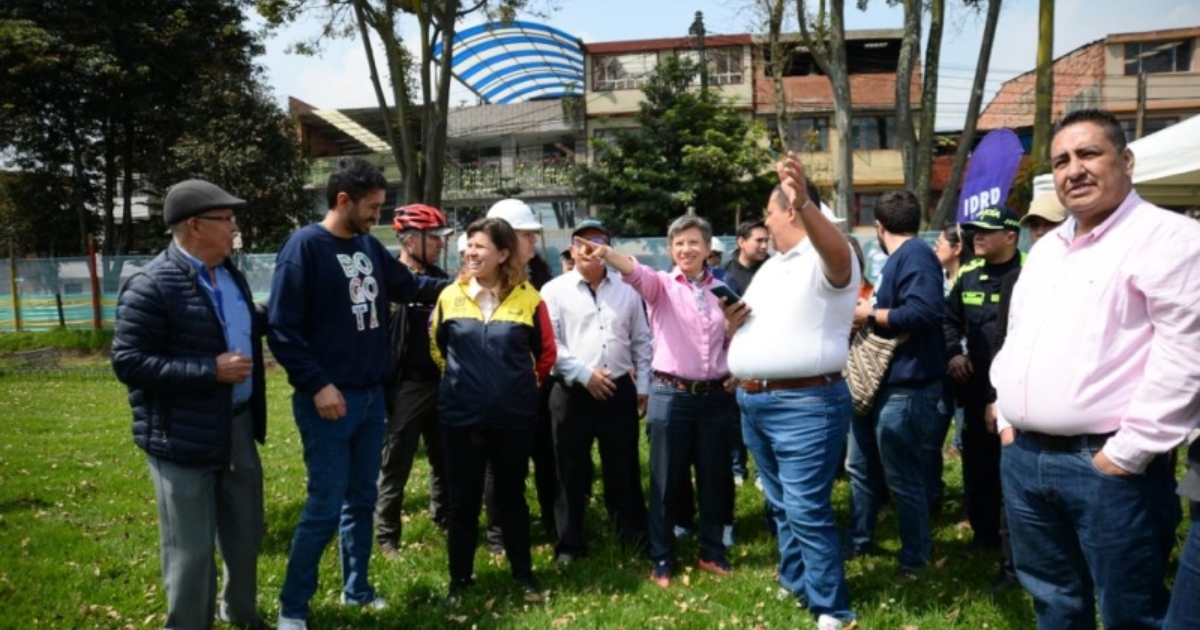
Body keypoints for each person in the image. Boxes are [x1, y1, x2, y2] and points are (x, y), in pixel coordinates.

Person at [992, 108, 1200, 629]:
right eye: (1061, 160)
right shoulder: (1045, 250)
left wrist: (1126, 455)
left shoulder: (1170, 239)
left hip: (1107, 466)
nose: (1073, 170)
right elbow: (1017, 336)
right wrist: (1006, 417)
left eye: (1089, 154)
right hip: (1026, 458)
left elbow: (1185, 358)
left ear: (1126, 160)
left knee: (1130, 610)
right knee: (1054, 602)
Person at [267, 157, 447, 630]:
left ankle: (358, 591)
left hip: (370, 399)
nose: (378, 217)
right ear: (342, 200)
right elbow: (282, 330)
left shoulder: (367, 245)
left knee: (361, 501)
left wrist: (463, 285)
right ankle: (293, 607)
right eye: (372, 207)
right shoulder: (304, 248)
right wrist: (318, 385)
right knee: (324, 506)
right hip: (328, 400)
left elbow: (407, 285)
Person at [111, 180, 269, 630]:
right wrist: (208, 371)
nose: (235, 227)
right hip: (179, 435)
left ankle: (241, 613)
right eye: (227, 219)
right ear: (195, 226)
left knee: (245, 533)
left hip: (235, 428)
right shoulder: (151, 283)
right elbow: (128, 361)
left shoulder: (229, 273)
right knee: (191, 548)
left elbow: (241, 323)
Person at [721, 152, 859, 630]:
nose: (764, 219)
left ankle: (832, 608)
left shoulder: (828, 257)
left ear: (792, 211)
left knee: (805, 507)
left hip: (805, 403)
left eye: (770, 209)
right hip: (756, 400)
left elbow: (839, 258)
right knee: (780, 503)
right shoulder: (772, 266)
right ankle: (797, 579)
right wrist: (731, 323)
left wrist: (806, 204)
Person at [575, 215, 736, 588]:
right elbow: (635, 272)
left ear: (708, 248)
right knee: (665, 481)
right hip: (671, 395)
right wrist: (607, 253)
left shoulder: (723, 292)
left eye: (694, 242)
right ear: (670, 249)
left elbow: (731, 341)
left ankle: (711, 551)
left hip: (714, 398)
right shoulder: (661, 286)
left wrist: (735, 359)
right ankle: (662, 557)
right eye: (679, 243)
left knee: (713, 478)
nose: (686, 249)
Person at [430, 217, 556, 603]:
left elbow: (546, 354)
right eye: (468, 245)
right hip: (460, 417)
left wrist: (516, 389)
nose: (470, 252)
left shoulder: (530, 298)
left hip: (513, 418)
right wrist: (462, 383)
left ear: (503, 254)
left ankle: (523, 574)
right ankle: (460, 581)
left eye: (480, 246)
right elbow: (437, 348)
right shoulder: (449, 296)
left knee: (511, 498)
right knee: (463, 502)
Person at [845, 190, 946, 576]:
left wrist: (873, 312)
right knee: (861, 468)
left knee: (902, 477)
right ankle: (859, 540)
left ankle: (914, 559)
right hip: (878, 385)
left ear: (879, 227)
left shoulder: (917, 256)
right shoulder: (901, 259)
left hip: (907, 386)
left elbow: (925, 311)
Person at [541, 218, 651, 565]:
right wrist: (585, 374)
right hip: (572, 391)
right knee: (568, 470)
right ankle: (570, 543)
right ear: (572, 250)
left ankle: (630, 534)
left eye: (598, 241)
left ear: (608, 249)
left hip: (618, 389)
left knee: (623, 466)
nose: (590, 248)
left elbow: (642, 341)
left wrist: (643, 386)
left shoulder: (628, 290)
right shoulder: (553, 290)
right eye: (582, 242)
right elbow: (551, 345)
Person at [374, 204, 455, 555]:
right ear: (409, 240)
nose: (439, 244)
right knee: (396, 461)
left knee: (445, 458)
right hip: (405, 386)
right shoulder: (387, 281)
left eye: (440, 237)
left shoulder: (441, 279)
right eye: (433, 237)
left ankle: (446, 520)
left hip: (442, 382)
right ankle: (386, 536)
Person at [482, 198, 558, 548]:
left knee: (548, 457)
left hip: (539, 388)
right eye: (526, 235)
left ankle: (553, 522)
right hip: (497, 394)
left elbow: (547, 343)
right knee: (499, 467)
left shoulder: (541, 276)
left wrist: (538, 378)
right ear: (505, 240)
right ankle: (500, 534)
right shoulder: (478, 286)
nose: (533, 242)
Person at [722, 220, 769, 296]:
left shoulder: (775, 270)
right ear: (741, 242)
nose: (764, 246)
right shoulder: (724, 270)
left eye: (766, 241)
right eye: (759, 240)